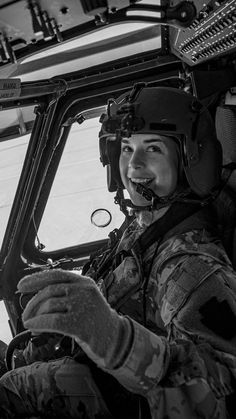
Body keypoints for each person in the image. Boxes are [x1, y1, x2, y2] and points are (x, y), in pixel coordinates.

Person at [0, 84, 236, 419]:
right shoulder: (147, 221)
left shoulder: (192, 267)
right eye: (126, 149)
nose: (133, 165)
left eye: (152, 148)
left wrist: (115, 340)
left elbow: (214, 399)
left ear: (190, 160)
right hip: (92, 374)